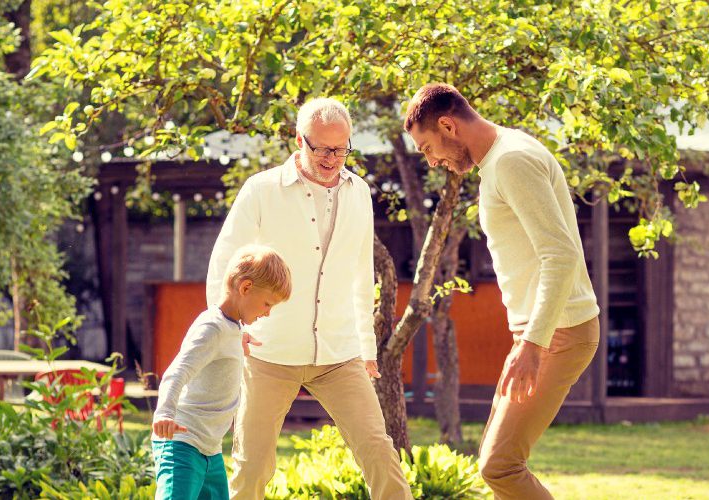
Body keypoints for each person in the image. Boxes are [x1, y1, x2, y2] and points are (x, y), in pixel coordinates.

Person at [206, 97, 413, 499]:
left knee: (378, 451)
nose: (333, 158)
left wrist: (366, 346)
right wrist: (227, 329)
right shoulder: (262, 190)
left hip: (338, 354)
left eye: (342, 148)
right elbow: (224, 261)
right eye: (322, 148)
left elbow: (359, 271)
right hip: (269, 353)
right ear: (300, 139)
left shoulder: (359, 192)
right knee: (252, 465)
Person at [403, 83, 602, 500]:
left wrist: (533, 343)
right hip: (541, 333)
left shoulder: (511, 161)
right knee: (495, 463)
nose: (433, 160)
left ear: (447, 125)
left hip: (557, 334)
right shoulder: (504, 155)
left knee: (501, 466)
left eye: (427, 148)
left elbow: (560, 255)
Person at [151, 244, 292, 500]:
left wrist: (239, 343)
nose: (268, 312)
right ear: (246, 287)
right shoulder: (212, 328)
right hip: (182, 443)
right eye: (267, 304)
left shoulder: (232, 329)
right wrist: (165, 413)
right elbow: (177, 371)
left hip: (210, 449)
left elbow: (222, 350)